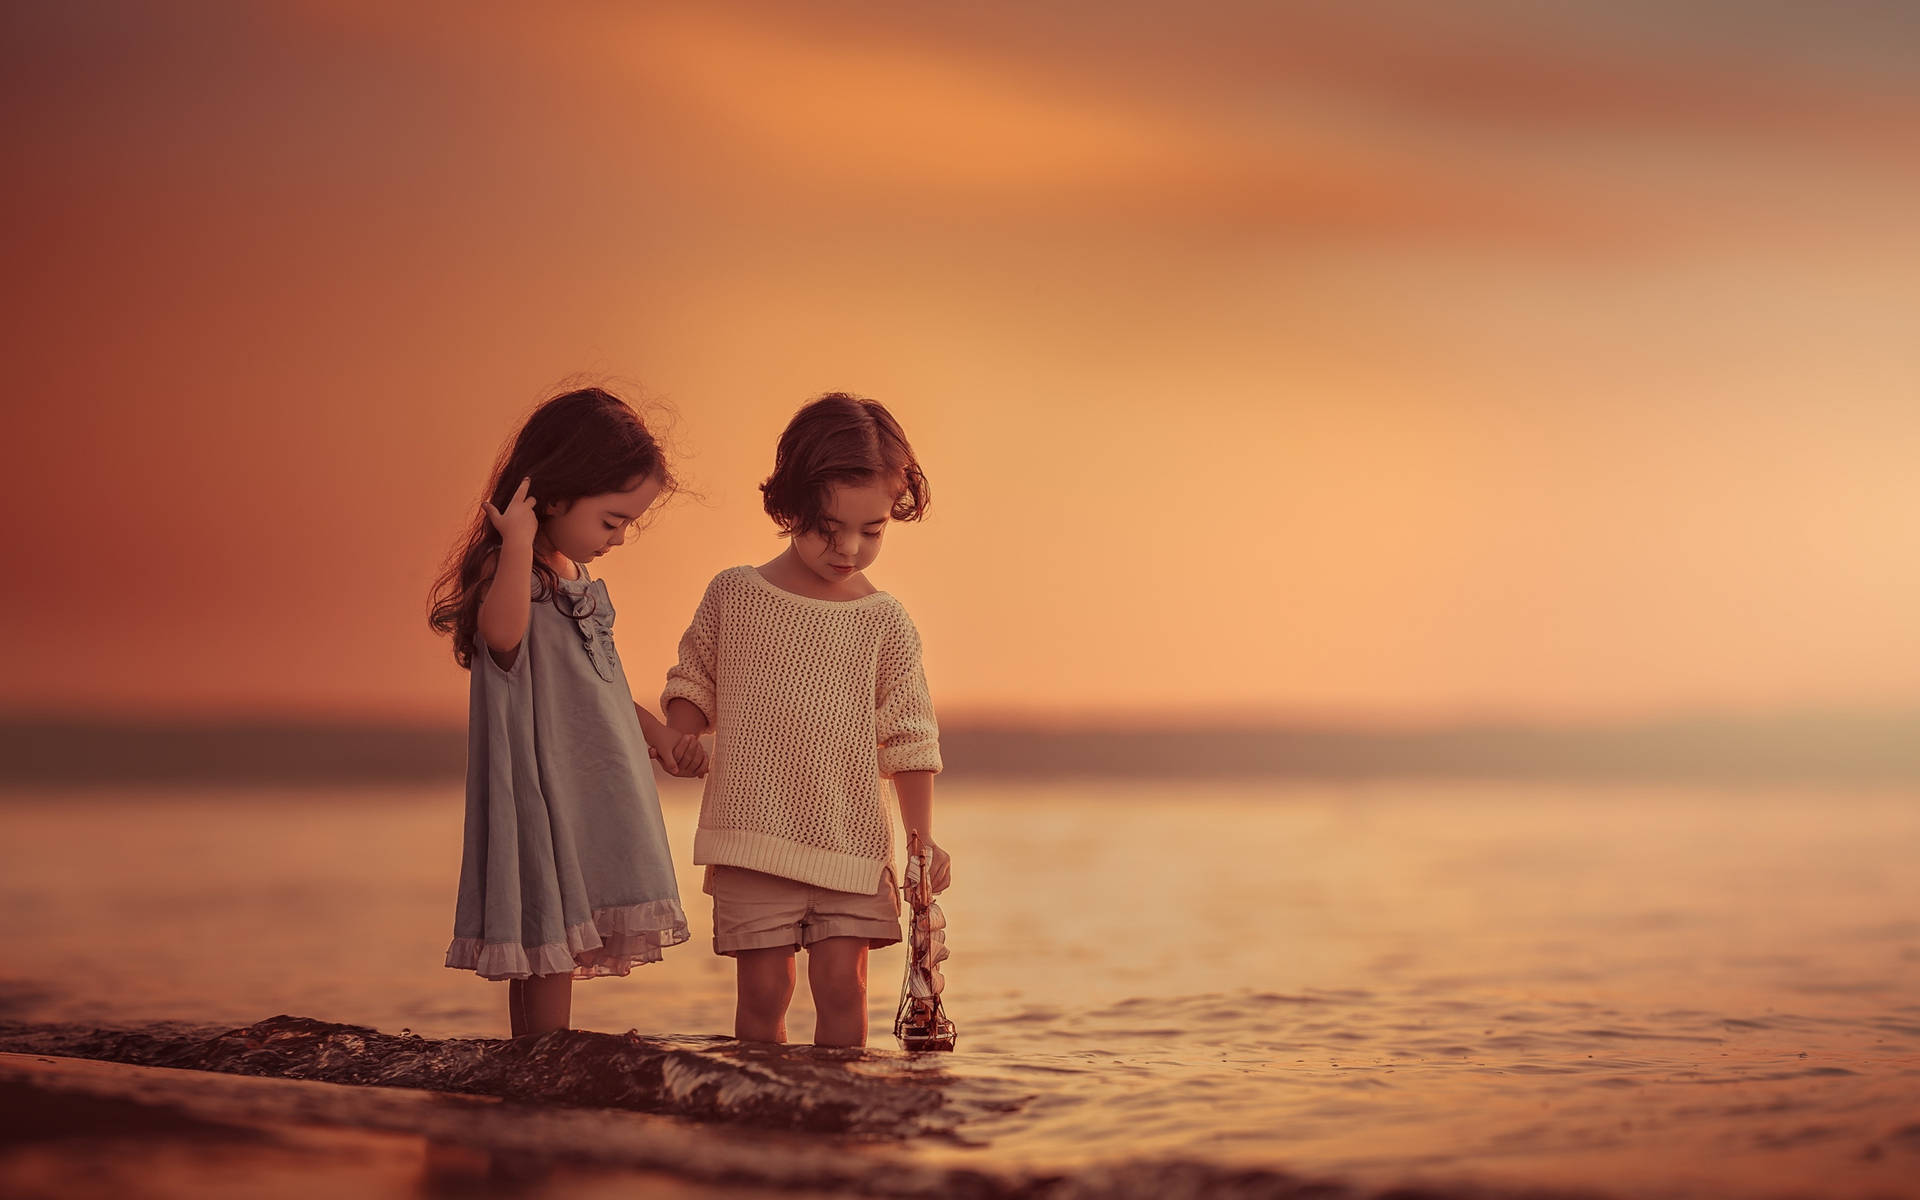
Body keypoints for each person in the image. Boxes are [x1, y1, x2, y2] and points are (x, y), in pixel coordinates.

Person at [662, 392, 951, 1048]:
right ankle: (762, 1120)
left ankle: (837, 1130)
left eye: (871, 530)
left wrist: (921, 843)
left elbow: (910, 738)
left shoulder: (885, 622)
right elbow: (694, 682)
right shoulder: (735, 594)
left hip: (849, 839)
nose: (849, 547)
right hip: (752, 836)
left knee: (842, 988)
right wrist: (679, 737)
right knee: (765, 993)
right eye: (828, 527)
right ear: (791, 504)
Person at [428, 386, 703, 1038]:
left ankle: (533, 1069)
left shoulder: (572, 578)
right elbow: (501, 638)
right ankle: (545, 1068)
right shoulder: (514, 574)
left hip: (588, 791)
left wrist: (660, 735)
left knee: (552, 948)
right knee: (546, 942)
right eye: (612, 520)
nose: (619, 538)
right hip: (545, 798)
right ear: (552, 497)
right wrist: (517, 544)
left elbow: (601, 685)